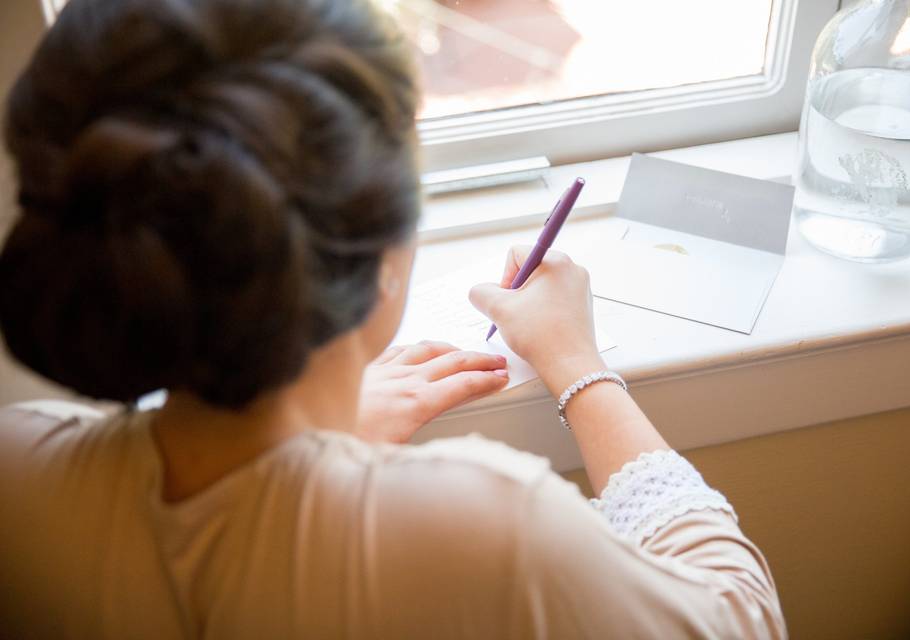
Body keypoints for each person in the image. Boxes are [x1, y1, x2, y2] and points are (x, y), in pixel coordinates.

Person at [0, 0, 785, 637]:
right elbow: (741, 621)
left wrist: (316, 437)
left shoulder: (20, 468)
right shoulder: (484, 530)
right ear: (382, 256)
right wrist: (579, 364)